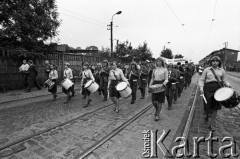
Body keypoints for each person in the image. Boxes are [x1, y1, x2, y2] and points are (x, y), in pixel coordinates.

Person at [199, 56, 231, 131]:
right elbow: (202, 80)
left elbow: (224, 80)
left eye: (217, 61)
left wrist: (228, 84)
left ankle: (212, 124)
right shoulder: (206, 70)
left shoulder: (222, 71)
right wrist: (201, 88)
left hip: (218, 90)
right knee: (207, 106)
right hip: (208, 89)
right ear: (211, 62)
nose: (215, 62)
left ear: (219, 62)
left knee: (215, 107)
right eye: (213, 61)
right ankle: (207, 116)